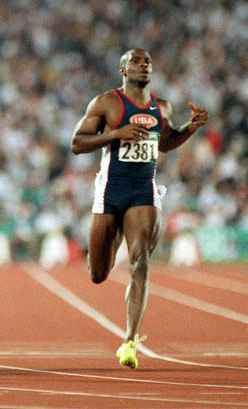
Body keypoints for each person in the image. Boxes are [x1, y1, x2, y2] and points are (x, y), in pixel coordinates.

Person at [70, 48, 209, 369]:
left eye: (148, 61)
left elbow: (166, 143)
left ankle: (129, 340)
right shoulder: (105, 103)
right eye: (136, 60)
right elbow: (77, 144)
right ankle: (115, 235)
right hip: (110, 190)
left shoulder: (162, 106)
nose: (144, 65)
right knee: (98, 274)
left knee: (140, 262)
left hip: (143, 191)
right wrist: (117, 134)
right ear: (122, 68)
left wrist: (191, 128)